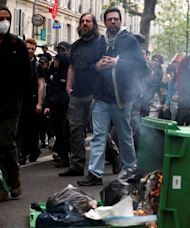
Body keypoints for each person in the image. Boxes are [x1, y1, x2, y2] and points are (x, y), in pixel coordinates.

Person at [78, 8, 148, 186]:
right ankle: (95, 173)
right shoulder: (100, 41)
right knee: (98, 136)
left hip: (122, 98)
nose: (113, 22)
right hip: (101, 98)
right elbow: (90, 65)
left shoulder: (129, 40)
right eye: (109, 19)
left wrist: (118, 63)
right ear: (105, 22)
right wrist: (98, 66)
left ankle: (130, 169)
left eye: (116, 19)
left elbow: (142, 67)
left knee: (125, 136)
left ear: (120, 21)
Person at [59, 13, 101, 177]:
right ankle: (77, 165)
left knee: (99, 130)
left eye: (88, 21)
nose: (84, 24)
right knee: (75, 129)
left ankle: (115, 157)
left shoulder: (100, 43)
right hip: (77, 94)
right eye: (82, 21)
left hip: (95, 93)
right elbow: (72, 68)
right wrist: (69, 87)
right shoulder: (75, 45)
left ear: (94, 24)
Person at [0, 5, 32, 199]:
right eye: (0, 18)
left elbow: (27, 78)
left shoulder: (17, 45)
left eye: (6, 18)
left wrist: (26, 103)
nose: (3, 21)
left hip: (11, 105)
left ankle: (14, 178)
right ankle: (2, 186)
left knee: (5, 142)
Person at [16, 38, 46, 165]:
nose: (30, 51)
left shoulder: (38, 66)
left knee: (33, 129)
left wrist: (39, 103)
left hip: (33, 100)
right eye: (28, 48)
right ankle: (22, 154)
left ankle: (33, 150)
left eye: (32, 49)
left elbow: (41, 85)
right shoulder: (18, 63)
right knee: (20, 129)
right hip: (19, 100)